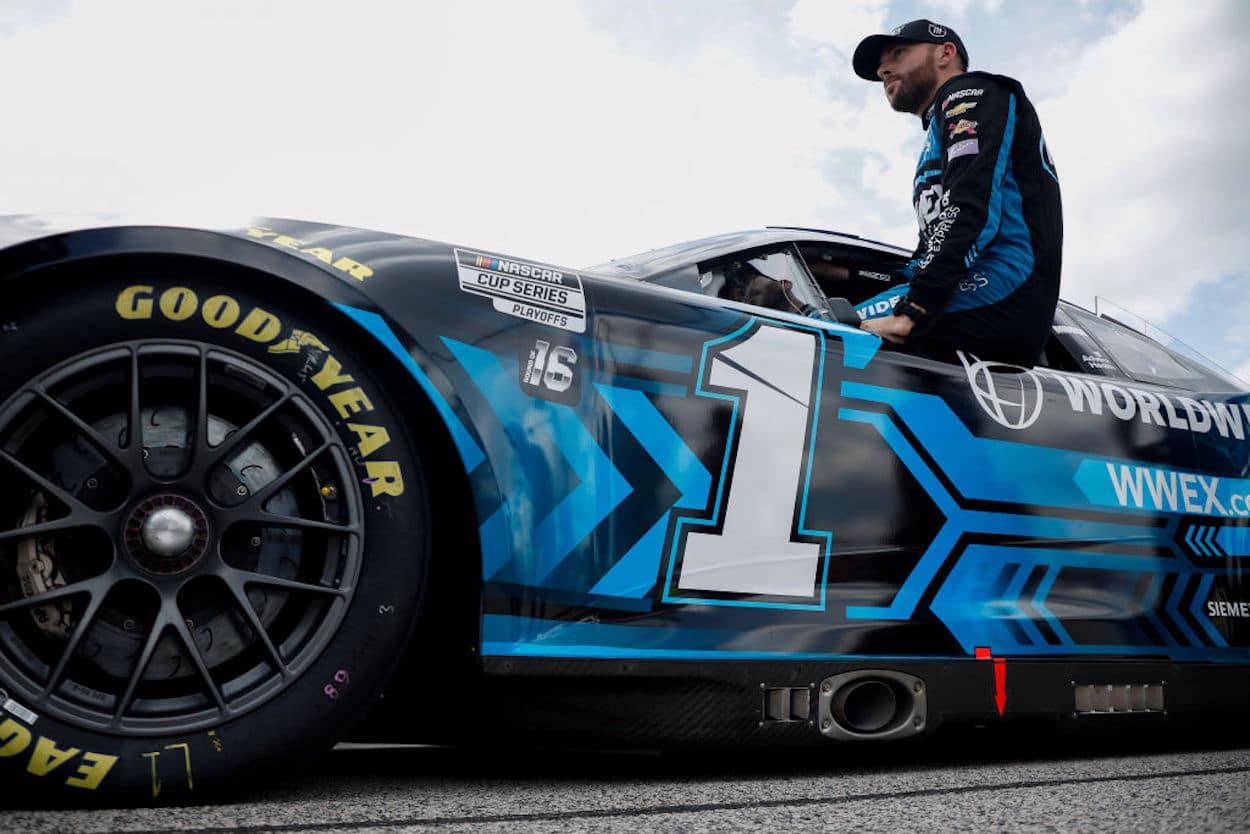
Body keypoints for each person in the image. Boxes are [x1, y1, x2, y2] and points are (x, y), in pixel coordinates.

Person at [850, 19, 1063, 366]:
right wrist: (845, 273)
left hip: (1002, 286)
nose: (883, 69)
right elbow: (930, 249)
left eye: (898, 54)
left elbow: (968, 208)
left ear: (945, 53)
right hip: (980, 292)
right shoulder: (937, 131)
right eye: (881, 65)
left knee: (817, 331)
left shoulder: (970, 92)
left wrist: (914, 309)